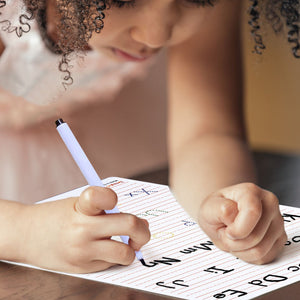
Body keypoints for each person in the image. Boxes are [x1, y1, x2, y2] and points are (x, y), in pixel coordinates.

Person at [0, 0, 291, 273]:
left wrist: (223, 205)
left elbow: (206, 132)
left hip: (112, 132)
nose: (155, 35)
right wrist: (28, 232)